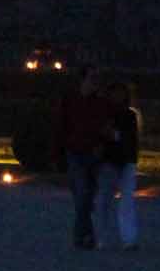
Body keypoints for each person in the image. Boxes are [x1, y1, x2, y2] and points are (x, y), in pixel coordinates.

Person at [55, 69, 114, 250]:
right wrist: (60, 152)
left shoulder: (102, 103)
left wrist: (103, 145)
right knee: (82, 195)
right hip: (75, 154)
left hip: (95, 155)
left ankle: (85, 235)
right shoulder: (70, 101)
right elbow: (61, 126)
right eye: (91, 80)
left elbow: (107, 128)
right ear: (83, 81)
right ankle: (82, 236)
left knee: (87, 197)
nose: (94, 84)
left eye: (96, 80)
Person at [95, 80, 141, 251]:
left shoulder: (129, 115)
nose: (118, 97)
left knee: (126, 201)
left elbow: (130, 139)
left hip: (126, 161)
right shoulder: (105, 114)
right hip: (109, 162)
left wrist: (114, 135)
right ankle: (102, 237)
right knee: (105, 201)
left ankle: (128, 238)